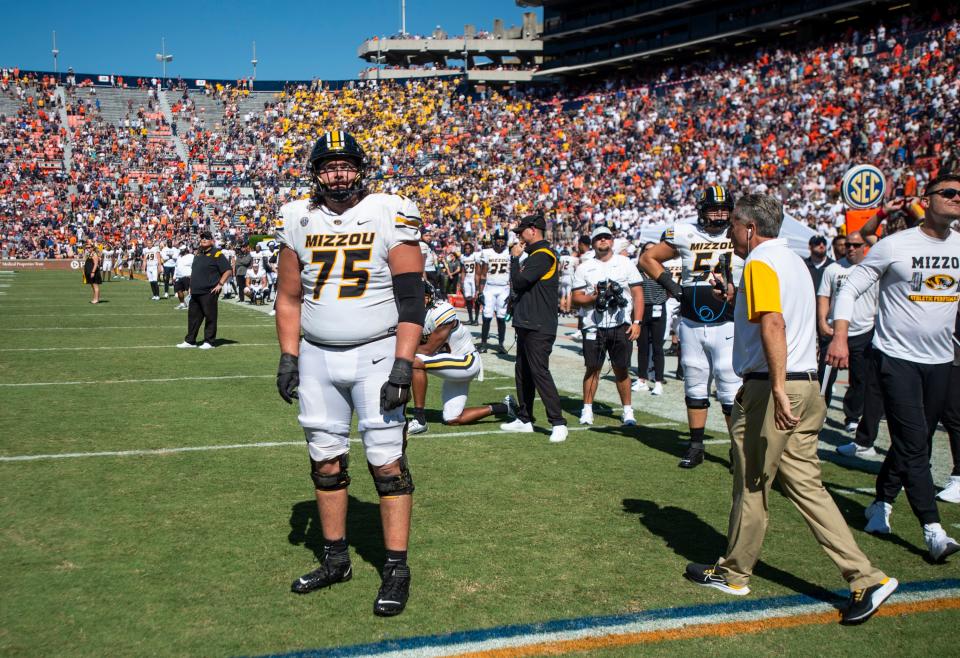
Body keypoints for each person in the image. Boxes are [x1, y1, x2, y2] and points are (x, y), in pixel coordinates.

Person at [685, 193, 897, 626]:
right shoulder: (795, 262)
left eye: (733, 227)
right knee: (805, 487)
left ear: (748, 227)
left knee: (751, 481)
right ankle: (865, 576)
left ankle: (736, 573)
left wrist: (777, 389)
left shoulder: (761, 262)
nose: (728, 234)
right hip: (803, 383)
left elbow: (774, 323)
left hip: (775, 387)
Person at [274, 130, 424, 617]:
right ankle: (337, 559)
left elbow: (410, 297)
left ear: (361, 168)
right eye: (328, 166)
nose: (337, 174)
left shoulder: (389, 210)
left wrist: (404, 360)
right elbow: (289, 295)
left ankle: (396, 567)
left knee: (387, 464)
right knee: (325, 461)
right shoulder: (297, 216)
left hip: (376, 353)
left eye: (346, 165)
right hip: (318, 355)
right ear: (314, 172)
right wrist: (288, 355)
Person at [827, 173, 960, 561]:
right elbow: (850, 287)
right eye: (949, 193)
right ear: (927, 199)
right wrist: (839, 335)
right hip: (895, 358)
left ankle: (880, 503)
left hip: (941, 360)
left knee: (909, 441)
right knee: (915, 442)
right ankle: (933, 530)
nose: (956, 199)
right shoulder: (894, 245)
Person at [639, 186, 742, 468]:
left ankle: (738, 449)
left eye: (724, 209)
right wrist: (674, 288)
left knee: (729, 385)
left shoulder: (740, 232)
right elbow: (647, 259)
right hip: (692, 319)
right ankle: (696, 445)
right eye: (713, 208)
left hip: (730, 318)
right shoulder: (685, 231)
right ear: (701, 209)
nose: (719, 215)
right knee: (695, 381)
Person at [408, 281, 514, 435]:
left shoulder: (441, 311)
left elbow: (428, 349)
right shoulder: (415, 314)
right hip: (453, 366)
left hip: (466, 362)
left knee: (415, 361)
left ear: (428, 297)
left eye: (418, 298)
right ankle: (505, 407)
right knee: (452, 418)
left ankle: (419, 419)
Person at [499, 214, 568, 443]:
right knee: (523, 372)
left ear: (533, 230)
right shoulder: (535, 254)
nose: (519, 235)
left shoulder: (542, 255)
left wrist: (514, 260)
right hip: (528, 321)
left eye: (521, 231)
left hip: (539, 323)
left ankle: (558, 422)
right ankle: (525, 418)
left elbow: (519, 282)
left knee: (539, 371)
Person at [816, 233, 883, 454]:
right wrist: (822, 322)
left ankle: (852, 416)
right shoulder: (834, 269)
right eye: (848, 245)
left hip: (863, 331)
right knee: (825, 375)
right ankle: (818, 412)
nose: (850, 248)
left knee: (860, 379)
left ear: (865, 247)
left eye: (856, 245)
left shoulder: (874, 269)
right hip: (835, 331)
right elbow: (824, 296)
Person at [572, 225, 644, 428]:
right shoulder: (584, 267)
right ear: (593, 243)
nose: (603, 240)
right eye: (598, 238)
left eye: (606, 237)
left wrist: (637, 322)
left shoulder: (626, 263)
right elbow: (576, 298)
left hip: (621, 324)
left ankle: (628, 411)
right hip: (594, 325)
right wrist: (593, 297)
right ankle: (587, 409)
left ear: (612, 241)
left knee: (621, 369)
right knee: (592, 368)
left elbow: (638, 294)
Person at [176, 231, 231, 350]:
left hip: (209, 291)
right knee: (193, 317)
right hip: (196, 291)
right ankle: (190, 340)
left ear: (212, 241)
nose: (204, 239)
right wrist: (191, 286)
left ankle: (209, 341)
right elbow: (195, 272)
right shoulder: (198, 254)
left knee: (210, 316)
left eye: (207, 238)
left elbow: (227, 270)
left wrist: (220, 284)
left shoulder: (217, 254)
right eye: (202, 238)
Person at [634, 242, 668, 395]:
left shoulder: (663, 270)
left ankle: (658, 381)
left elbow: (669, 291)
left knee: (657, 347)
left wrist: (658, 300)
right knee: (642, 347)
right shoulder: (636, 270)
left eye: (652, 250)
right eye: (646, 250)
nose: (649, 253)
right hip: (642, 310)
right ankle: (642, 379)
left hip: (659, 309)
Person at [477, 229, 511, 353]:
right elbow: (483, 274)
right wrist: (480, 292)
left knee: (501, 317)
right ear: (494, 239)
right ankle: (484, 343)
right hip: (490, 287)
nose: (500, 240)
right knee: (487, 315)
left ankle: (501, 344)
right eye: (498, 238)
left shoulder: (509, 253)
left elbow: (511, 273)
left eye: (503, 238)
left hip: (504, 288)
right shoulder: (487, 252)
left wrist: (512, 292)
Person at [460, 241, 480, 325]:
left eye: (468, 248)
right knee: (468, 299)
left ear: (471, 248)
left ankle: (476, 319)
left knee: (476, 299)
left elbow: (478, 269)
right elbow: (463, 270)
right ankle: (470, 319)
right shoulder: (462, 257)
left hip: (474, 278)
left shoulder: (475, 255)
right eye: (465, 248)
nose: (467, 250)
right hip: (467, 279)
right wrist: (461, 281)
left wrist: (478, 282)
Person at [558, 247, 579, 316]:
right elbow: (576, 269)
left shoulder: (562, 258)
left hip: (563, 276)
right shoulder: (573, 259)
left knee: (563, 295)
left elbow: (559, 269)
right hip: (569, 277)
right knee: (568, 295)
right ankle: (567, 311)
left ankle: (562, 310)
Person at [172, 245, 193, 310]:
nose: (181, 252)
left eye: (182, 250)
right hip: (179, 276)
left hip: (187, 276)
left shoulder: (191, 256)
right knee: (178, 290)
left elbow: (195, 266)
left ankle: (191, 304)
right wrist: (174, 276)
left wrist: (193, 275)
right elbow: (176, 267)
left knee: (189, 291)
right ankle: (182, 304)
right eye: (181, 250)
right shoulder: (179, 257)